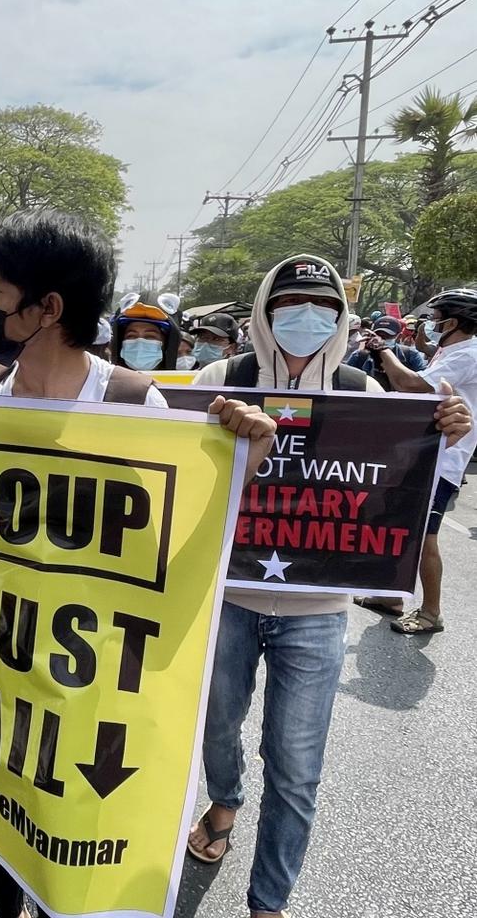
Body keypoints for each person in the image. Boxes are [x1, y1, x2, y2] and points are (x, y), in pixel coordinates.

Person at [0, 211, 276, 918]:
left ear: (47, 308)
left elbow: (175, 550)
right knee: (0, 808)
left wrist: (246, 455)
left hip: (87, 668)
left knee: (67, 816)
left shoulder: (130, 403)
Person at [187, 256, 470, 918]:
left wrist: (441, 436)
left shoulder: (360, 390)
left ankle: (269, 903)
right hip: (226, 600)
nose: (306, 317)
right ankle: (224, 802)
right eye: (290, 303)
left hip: (317, 611)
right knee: (216, 727)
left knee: (295, 766)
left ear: (341, 318)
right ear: (264, 310)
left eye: (323, 306)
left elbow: (391, 487)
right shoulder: (217, 380)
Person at [360, 288, 477, 635]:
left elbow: (410, 383)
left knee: (425, 536)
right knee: (402, 524)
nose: (430, 324)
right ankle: (391, 597)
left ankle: (431, 611)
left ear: (452, 323)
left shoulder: (468, 355)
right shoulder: (450, 351)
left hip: (444, 459)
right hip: (425, 454)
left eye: (436, 319)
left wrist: (384, 351)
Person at [344, 315, 425, 388]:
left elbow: (423, 383)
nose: (381, 340)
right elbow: (345, 381)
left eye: (387, 336)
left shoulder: (410, 355)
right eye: (379, 335)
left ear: (399, 336)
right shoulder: (360, 356)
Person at [113, 294, 181, 371]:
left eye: (150, 336)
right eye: (131, 336)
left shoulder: (186, 378)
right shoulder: (105, 377)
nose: (139, 343)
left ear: (167, 342)